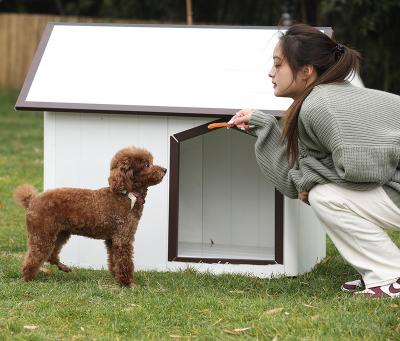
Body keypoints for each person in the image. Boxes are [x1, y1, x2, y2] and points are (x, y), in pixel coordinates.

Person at [228, 24, 400, 298]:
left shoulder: (320, 104)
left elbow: (363, 169)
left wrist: (312, 180)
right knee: (321, 192)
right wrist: (265, 126)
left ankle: (391, 275)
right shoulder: (322, 97)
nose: (270, 72)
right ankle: (381, 273)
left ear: (307, 71)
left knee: (325, 196)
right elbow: (298, 176)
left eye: (278, 64)